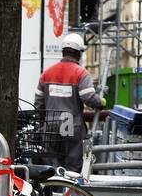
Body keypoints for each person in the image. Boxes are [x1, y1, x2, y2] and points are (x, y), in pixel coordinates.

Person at [35, 33, 101, 172]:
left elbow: (38, 104)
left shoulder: (47, 73)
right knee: (72, 168)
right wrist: (101, 101)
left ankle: (53, 191)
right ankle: (68, 192)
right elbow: (88, 97)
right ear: (79, 53)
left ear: (63, 51)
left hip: (50, 127)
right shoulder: (80, 73)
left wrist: (43, 122)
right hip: (70, 125)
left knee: (52, 168)